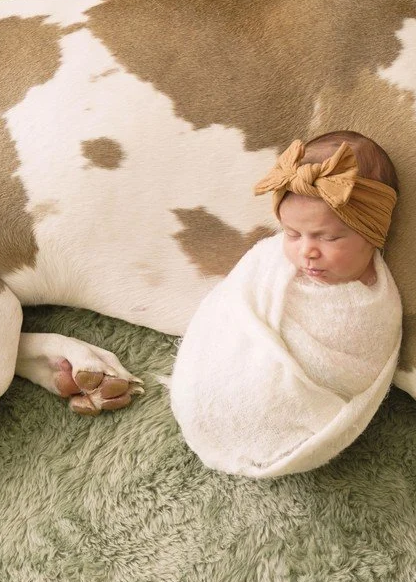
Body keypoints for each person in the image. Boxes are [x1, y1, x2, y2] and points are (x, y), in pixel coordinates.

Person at [168, 131, 403, 478]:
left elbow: (355, 367)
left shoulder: (371, 306)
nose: (306, 251)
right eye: (292, 234)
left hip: (290, 405)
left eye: (329, 237)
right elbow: (230, 307)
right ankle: (211, 403)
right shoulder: (268, 260)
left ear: (373, 232)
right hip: (230, 377)